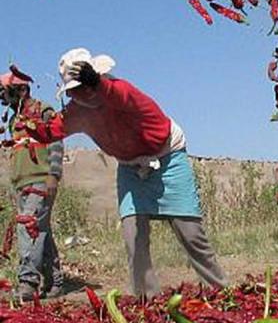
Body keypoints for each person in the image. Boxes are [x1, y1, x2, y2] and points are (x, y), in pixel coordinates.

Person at [25, 48, 227, 297]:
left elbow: (122, 97)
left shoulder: (118, 91)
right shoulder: (79, 110)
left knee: (190, 232)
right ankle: (147, 300)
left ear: (95, 80)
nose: (81, 94)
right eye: (75, 91)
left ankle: (220, 291)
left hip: (168, 159)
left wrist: (98, 84)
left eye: (84, 87)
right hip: (131, 168)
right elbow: (49, 131)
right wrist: (25, 114)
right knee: (133, 234)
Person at [0, 69, 64, 300]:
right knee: (41, 230)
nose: (4, 99)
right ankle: (55, 281)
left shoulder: (43, 110)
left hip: (41, 180)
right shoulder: (14, 121)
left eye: (7, 93)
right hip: (21, 184)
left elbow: (56, 141)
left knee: (28, 227)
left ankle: (28, 283)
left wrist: (53, 177)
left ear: (22, 89)